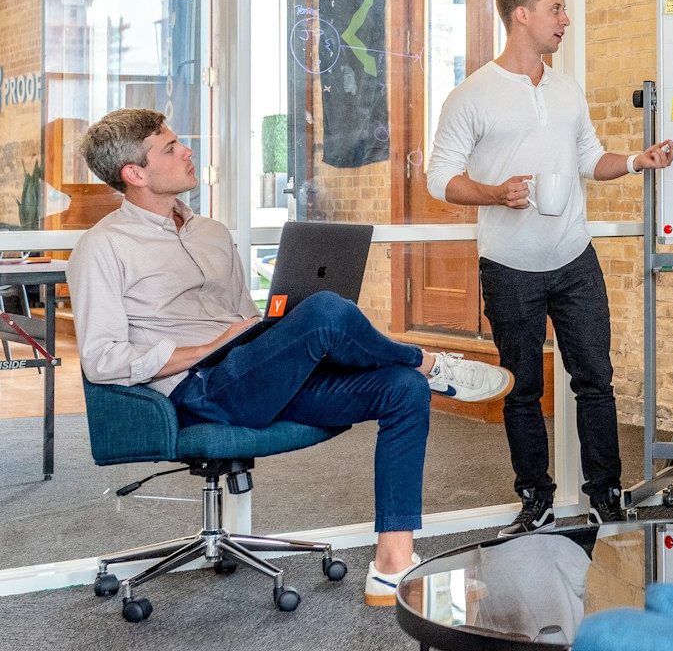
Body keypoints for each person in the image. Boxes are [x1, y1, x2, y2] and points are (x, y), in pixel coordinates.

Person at [68, 108, 513, 608]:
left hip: (252, 373)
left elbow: (244, 318)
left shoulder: (210, 232)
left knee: (400, 389)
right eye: (171, 148)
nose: (188, 151)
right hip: (199, 390)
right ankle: (428, 362)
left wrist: (269, 329)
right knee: (325, 312)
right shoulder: (102, 247)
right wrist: (206, 347)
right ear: (135, 173)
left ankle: (392, 565)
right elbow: (102, 359)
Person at [427, 0, 673, 534]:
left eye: (563, 9)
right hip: (510, 266)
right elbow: (439, 178)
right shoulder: (473, 94)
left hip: (574, 260)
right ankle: (535, 497)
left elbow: (591, 159)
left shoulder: (566, 90)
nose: (565, 19)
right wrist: (495, 192)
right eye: (555, 9)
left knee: (595, 379)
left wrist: (639, 160)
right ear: (523, 14)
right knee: (522, 385)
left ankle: (605, 492)